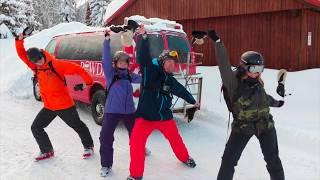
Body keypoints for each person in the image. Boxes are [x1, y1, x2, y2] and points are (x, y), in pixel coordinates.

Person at [207, 30, 285, 180]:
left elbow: (262, 99)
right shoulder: (233, 83)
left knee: (273, 161)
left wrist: (277, 103)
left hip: (265, 125)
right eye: (253, 69)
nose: (257, 73)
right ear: (243, 67)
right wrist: (218, 43)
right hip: (242, 127)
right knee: (228, 161)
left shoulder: (257, 82)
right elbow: (223, 65)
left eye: (260, 69)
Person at [127, 25, 200, 180]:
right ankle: (135, 175)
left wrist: (193, 101)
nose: (172, 65)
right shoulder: (149, 71)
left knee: (176, 139)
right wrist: (144, 37)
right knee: (136, 144)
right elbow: (143, 57)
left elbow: (181, 91)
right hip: (145, 117)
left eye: (174, 63)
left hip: (164, 118)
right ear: (161, 62)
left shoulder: (171, 80)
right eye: (169, 62)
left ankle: (185, 158)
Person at [15, 33, 94, 161]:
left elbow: (77, 69)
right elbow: (22, 55)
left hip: (64, 105)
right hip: (49, 106)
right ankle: (47, 150)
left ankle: (89, 146)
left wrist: (87, 82)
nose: (39, 62)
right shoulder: (37, 67)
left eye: (39, 58)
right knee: (36, 127)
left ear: (42, 54)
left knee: (78, 125)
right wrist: (19, 41)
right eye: (35, 61)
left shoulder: (56, 64)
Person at [99, 30, 144, 177]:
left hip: (129, 111)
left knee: (136, 134)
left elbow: (145, 79)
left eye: (125, 62)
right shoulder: (111, 74)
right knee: (105, 137)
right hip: (112, 111)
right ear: (116, 63)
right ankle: (106, 165)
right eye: (120, 62)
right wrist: (107, 41)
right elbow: (105, 59)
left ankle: (140, 149)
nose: (123, 64)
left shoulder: (130, 76)